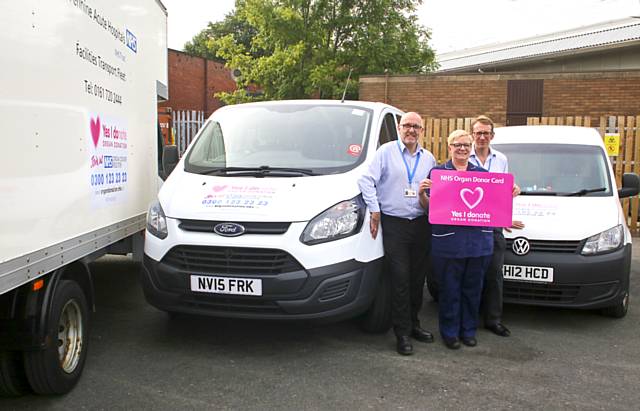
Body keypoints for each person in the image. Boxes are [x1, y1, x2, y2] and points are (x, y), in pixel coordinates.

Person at [358, 112, 437, 356]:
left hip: (421, 224)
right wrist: (375, 210)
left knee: (417, 279)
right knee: (400, 278)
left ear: (422, 130)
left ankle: (414, 325)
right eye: (407, 125)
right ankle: (401, 333)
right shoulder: (386, 152)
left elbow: (436, 193)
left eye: (416, 126)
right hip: (395, 224)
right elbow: (365, 180)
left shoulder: (429, 159)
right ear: (400, 128)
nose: (411, 130)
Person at [419, 130, 494, 349]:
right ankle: (450, 333)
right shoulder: (437, 173)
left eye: (466, 145)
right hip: (449, 243)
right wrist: (422, 194)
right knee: (450, 290)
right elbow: (428, 209)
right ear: (449, 147)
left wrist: (509, 193)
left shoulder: (482, 174)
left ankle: (468, 331)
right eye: (457, 144)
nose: (462, 148)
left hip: (477, 242)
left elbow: (492, 206)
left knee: (473, 289)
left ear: (471, 149)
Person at [468, 115, 523, 337]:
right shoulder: (463, 155)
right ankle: (470, 319)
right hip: (470, 226)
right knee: (471, 275)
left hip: (493, 228)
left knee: (494, 275)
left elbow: (500, 194)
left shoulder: (501, 160)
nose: (482, 137)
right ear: (473, 135)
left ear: (492, 135)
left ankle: (493, 319)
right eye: (478, 132)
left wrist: (512, 191)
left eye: (486, 133)